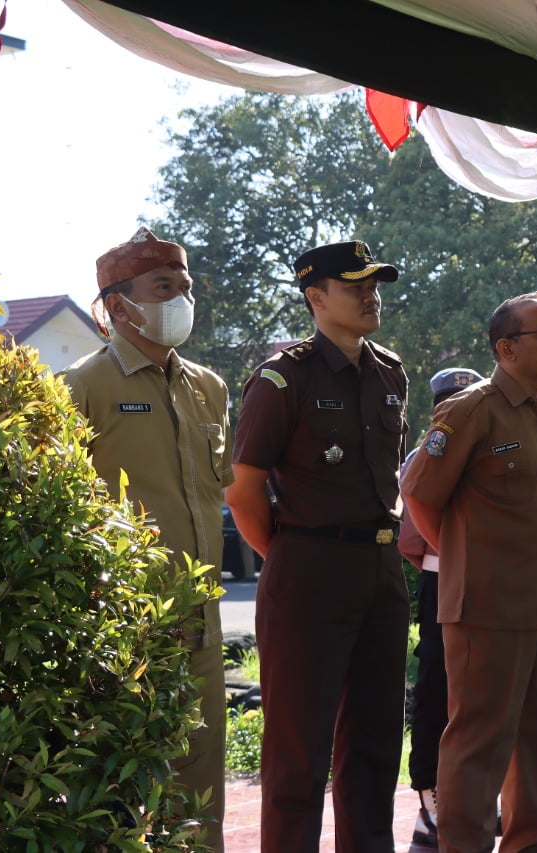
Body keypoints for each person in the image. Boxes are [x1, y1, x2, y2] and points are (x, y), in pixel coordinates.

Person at [225, 240, 410, 853]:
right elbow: (244, 489)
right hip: (307, 571)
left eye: (373, 283)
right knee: (298, 754)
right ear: (315, 297)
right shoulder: (283, 379)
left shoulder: (390, 371)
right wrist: (290, 551)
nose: (370, 294)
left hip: (381, 571)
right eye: (356, 285)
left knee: (376, 746)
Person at [61, 226, 230, 849]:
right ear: (116, 304)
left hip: (202, 621)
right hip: (124, 624)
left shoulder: (208, 387)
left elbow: (220, 491)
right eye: (164, 288)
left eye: (185, 287)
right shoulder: (84, 387)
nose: (181, 300)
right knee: (117, 779)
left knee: (201, 777)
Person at [401, 292, 537, 853]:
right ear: (506, 347)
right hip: (486, 606)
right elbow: (419, 494)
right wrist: (462, 559)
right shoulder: (471, 409)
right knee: (478, 746)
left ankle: (528, 844)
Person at [399, 366, 485, 848]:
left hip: (492, 583)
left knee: (483, 688)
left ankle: (473, 790)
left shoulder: (493, 450)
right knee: (436, 684)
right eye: (451, 400)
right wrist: (447, 557)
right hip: (440, 580)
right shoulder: (424, 454)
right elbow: (411, 536)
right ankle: (429, 791)